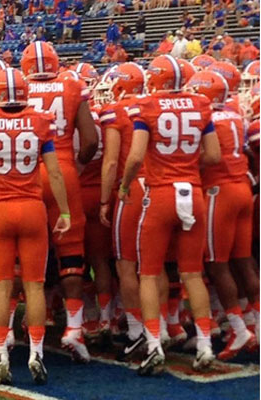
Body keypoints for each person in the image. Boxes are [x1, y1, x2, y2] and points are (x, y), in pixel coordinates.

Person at [0, 67, 70, 385]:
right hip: (32, 207)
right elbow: (54, 173)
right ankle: (36, 353)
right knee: (34, 285)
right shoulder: (40, 120)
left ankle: (0, 351)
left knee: (1, 286)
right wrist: (64, 211)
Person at [120, 55, 220, 376]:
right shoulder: (201, 104)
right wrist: (187, 167)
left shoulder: (146, 106)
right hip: (192, 192)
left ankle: (154, 344)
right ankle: (205, 344)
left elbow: (135, 157)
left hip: (161, 194)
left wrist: (124, 186)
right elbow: (214, 154)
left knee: (148, 273)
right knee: (192, 272)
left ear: (155, 79)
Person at [21, 41, 98, 363]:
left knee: (21, 252)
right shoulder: (71, 84)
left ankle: (15, 329)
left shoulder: (16, 87)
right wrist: (76, 165)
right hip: (63, 170)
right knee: (71, 253)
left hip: (25, 174)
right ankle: (75, 329)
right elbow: (91, 139)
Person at [185, 70, 259, 360]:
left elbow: (209, 157)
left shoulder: (206, 118)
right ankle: (255, 325)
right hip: (242, 186)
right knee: (244, 261)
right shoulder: (234, 115)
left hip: (220, 191)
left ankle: (240, 330)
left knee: (217, 264)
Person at [98, 62, 150, 361]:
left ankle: (136, 330)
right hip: (161, 185)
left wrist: (106, 199)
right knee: (153, 267)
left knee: (126, 265)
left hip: (132, 189)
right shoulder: (152, 104)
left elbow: (111, 162)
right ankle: (164, 326)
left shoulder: (116, 113)